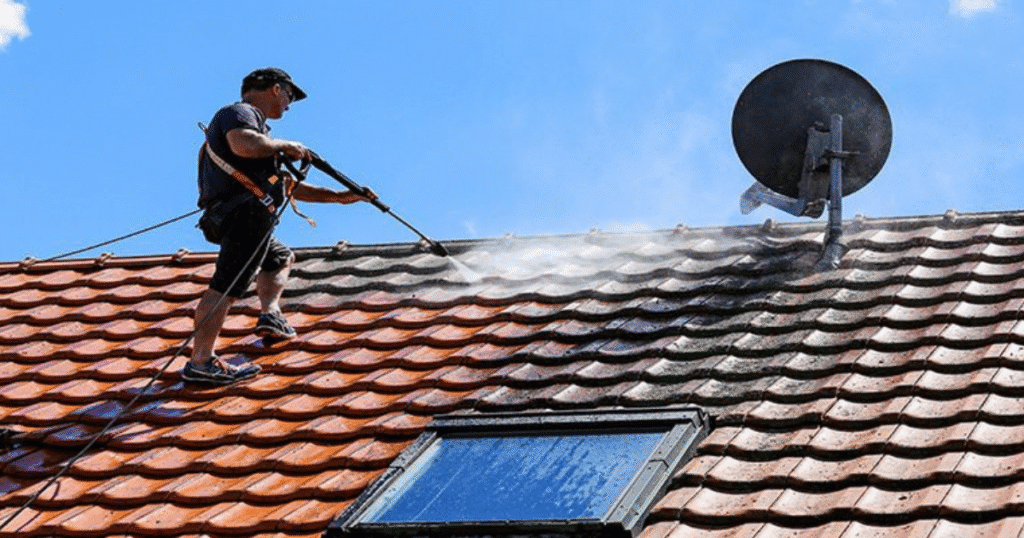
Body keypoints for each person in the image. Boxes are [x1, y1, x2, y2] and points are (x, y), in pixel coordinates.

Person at [184, 67, 374, 385]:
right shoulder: (241, 114)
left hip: (239, 215)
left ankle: (270, 314)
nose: (289, 104)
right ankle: (201, 361)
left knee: (279, 257)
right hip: (244, 215)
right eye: (289, 96)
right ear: (275, 89)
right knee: (226, 286)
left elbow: (288, 186)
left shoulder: (261, 137)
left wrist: (342, 197)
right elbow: (243, 144)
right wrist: (285, 145)